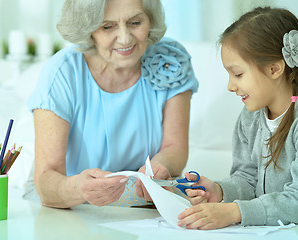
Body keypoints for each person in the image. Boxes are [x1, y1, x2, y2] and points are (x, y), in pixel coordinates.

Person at [177, 6, 298, 230]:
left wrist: (235, 211)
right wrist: (220, 190)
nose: (230, 86)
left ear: (275, 68)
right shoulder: (251, 116)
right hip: (265, 229)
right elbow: (247, 178)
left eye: (238, 74)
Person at [26, 0, 198, 208]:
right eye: (107, 26)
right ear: (88, 29)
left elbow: (176, 147)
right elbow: (46, 180)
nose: (125, 38)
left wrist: (159, 167)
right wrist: (79, 188)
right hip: (70, 203)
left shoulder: (170, 59)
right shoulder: (62, 73)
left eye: (135, 22)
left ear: (150, 19)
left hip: (144, 201)